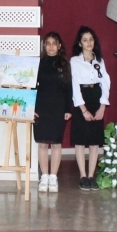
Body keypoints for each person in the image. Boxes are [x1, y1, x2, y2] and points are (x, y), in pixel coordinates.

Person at [70, 26, 111, 191]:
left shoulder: (99, 60)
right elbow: (74, 85)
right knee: (80, 141)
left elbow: (105, 83)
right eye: (85, 40)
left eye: (91, 39)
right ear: (80, 43)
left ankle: (91, 175)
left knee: (94, 141)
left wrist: (102, 106)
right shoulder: (75, 61)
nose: (89, 43)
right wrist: (84, 110)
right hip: (82, 100)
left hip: (97, 99)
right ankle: (83, 176)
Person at [34, 32, 73, 193]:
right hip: (41, 108)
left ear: (59, 46)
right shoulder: (38, 64)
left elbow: (69, 88)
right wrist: (32, 108)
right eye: (48, 43)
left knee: (56, 144)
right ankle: (44, 176)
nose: (51, 47)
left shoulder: (65, 64)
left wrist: (68, 109)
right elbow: (33, 87)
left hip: (58, 108)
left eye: (54, 43)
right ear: (44, 46)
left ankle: (53, 177)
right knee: (42, 143)